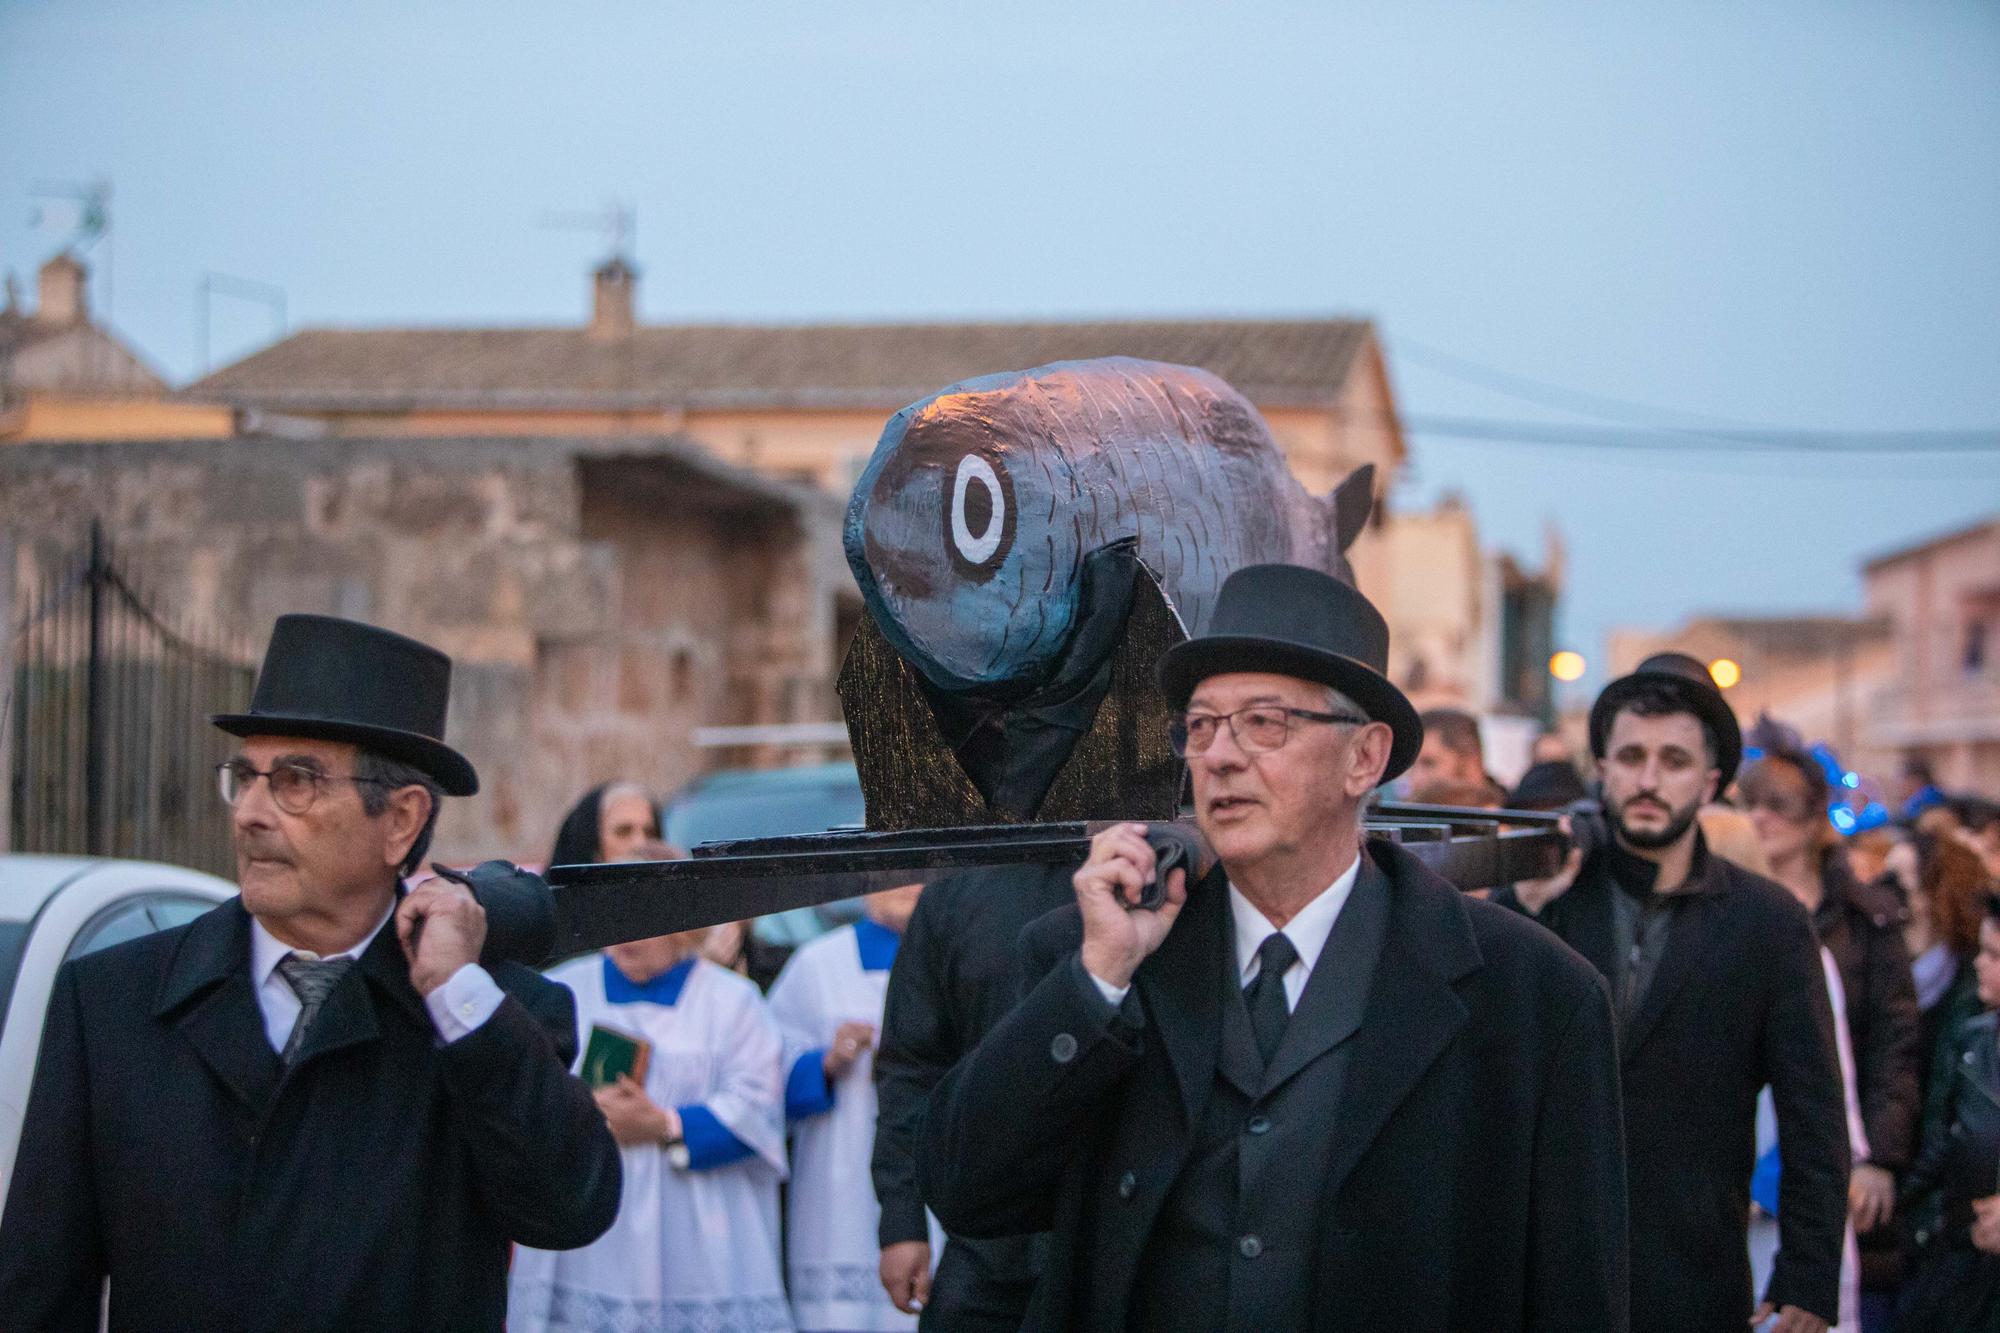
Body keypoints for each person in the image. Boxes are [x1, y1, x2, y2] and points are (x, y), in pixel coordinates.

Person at [923, 564, 1629, 1331]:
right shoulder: (1099, 954)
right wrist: (1097, 981)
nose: (1220, 756)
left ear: (1364, 757)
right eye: (1200, 726)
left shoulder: (1533, 997)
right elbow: (967, 1188)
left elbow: (1575, 1295)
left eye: (1264, 722)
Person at [0, 613, 622, 1330]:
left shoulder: (492, 1013)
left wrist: (456, 995)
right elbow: (38, 1294)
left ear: (400, 820)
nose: (251, 814)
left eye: (297, 780)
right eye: (245, 776)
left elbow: (570, 1204)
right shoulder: (110, 1004)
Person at [1499, 651, 1850, 1333]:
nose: (1649, 779)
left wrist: (1808, 1275)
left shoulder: (1769, 922)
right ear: (1601, 769)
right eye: (1630, 756)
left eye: (1674, 759)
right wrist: (1521, 905)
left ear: (1712, 781)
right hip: (1543, 1272)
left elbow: (1815, 1114)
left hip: (1694, 1272)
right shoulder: (1552, 897)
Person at [508, 901, 791, 1332]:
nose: (627, 933)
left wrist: (664, 1124)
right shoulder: (561, 989)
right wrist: (580, 1110)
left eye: (642, 918)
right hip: (588, 1222)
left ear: (682, 926)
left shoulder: (731, 1001)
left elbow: (761, 1108)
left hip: (695, 1228)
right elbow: (520, 1096)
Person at [871, 861, 1076, 1331]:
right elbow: (912, 1067)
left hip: (1124, 1228)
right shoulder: (956, 890)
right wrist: (902, 1220)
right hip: (986, 1238)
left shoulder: (1154, 867)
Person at [1742, 746, 1921, 1281]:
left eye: (1780, 804)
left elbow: (1894, 1041)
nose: (1760, 817)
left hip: (1834, 1142)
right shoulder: (1730, 910)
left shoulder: (1865, 919)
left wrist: (1878, 1156)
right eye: (1750, 803)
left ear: (1816, 814)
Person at [768, 883, 939, 1333]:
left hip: (931, 1164)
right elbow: (766, 1072)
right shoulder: (818, 964)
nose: (904, 884)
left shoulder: (949, 953)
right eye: (890, 871)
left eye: (916, 870)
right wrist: (824, 1063)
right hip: (837, 1181)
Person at [1892, 895, 2000, 1332]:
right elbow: (1940, 1145)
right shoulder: (1970, 1041)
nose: (1979, 963)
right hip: (1963, 1261)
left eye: (1995, 955)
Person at [547, 781, 664, 868]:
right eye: (623, 832)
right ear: (592, 842)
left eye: (650, 833)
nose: (640, 843)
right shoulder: (549, 899)